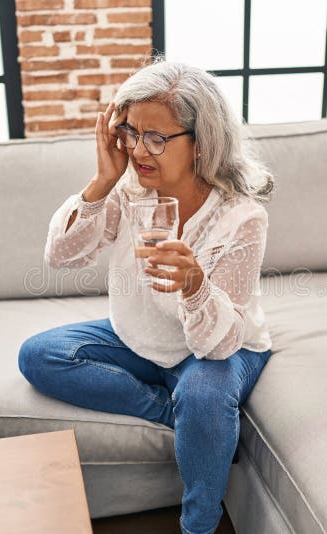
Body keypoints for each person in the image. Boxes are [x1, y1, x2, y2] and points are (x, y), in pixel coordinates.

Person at [18, 58, 274, 534]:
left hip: (221, 341)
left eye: (156, 138)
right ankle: (170, 410)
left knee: (201, 389)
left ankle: (199, 525)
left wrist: (195, 284)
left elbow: (217, 345)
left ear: (202, 142)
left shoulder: (241, 217)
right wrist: (102, 181)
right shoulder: (131, 188)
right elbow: (60, 255)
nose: (139, 150)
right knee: (40, 355)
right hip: (139, 338)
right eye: (131, 133)